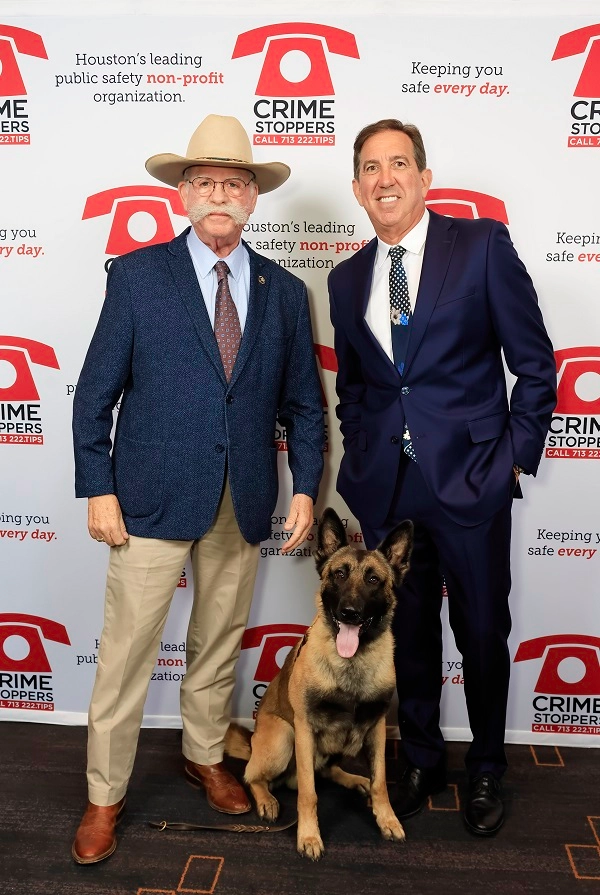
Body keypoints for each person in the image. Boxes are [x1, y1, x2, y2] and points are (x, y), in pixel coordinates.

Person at [71, 114, 324, 864]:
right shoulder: (139, 275)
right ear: (184, 194)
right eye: (206, 182)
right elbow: (94, 393)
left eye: (236, 183)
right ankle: (103, 794)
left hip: (242, 497)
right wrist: (97, 484)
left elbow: (305, 404)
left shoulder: (282, 291)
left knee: (217, 644)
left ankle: (205, 753)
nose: (222, 195)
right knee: (124, 656)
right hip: (146, 495)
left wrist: (305, 487)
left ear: (254, 196)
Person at [328, 119, 556, 836]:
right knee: (410, 634)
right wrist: (361, 455)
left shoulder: (481, 246)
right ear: (358, 187)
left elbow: (536, 364)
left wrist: (513, 456)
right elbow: (358, 387)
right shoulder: (345, 277)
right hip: (388, 490)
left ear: (425, 178)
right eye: (371, 167)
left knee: (483, 630)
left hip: (472, 480)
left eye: (399, 163)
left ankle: (487, 764)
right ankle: (423, 755)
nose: (385, 177)